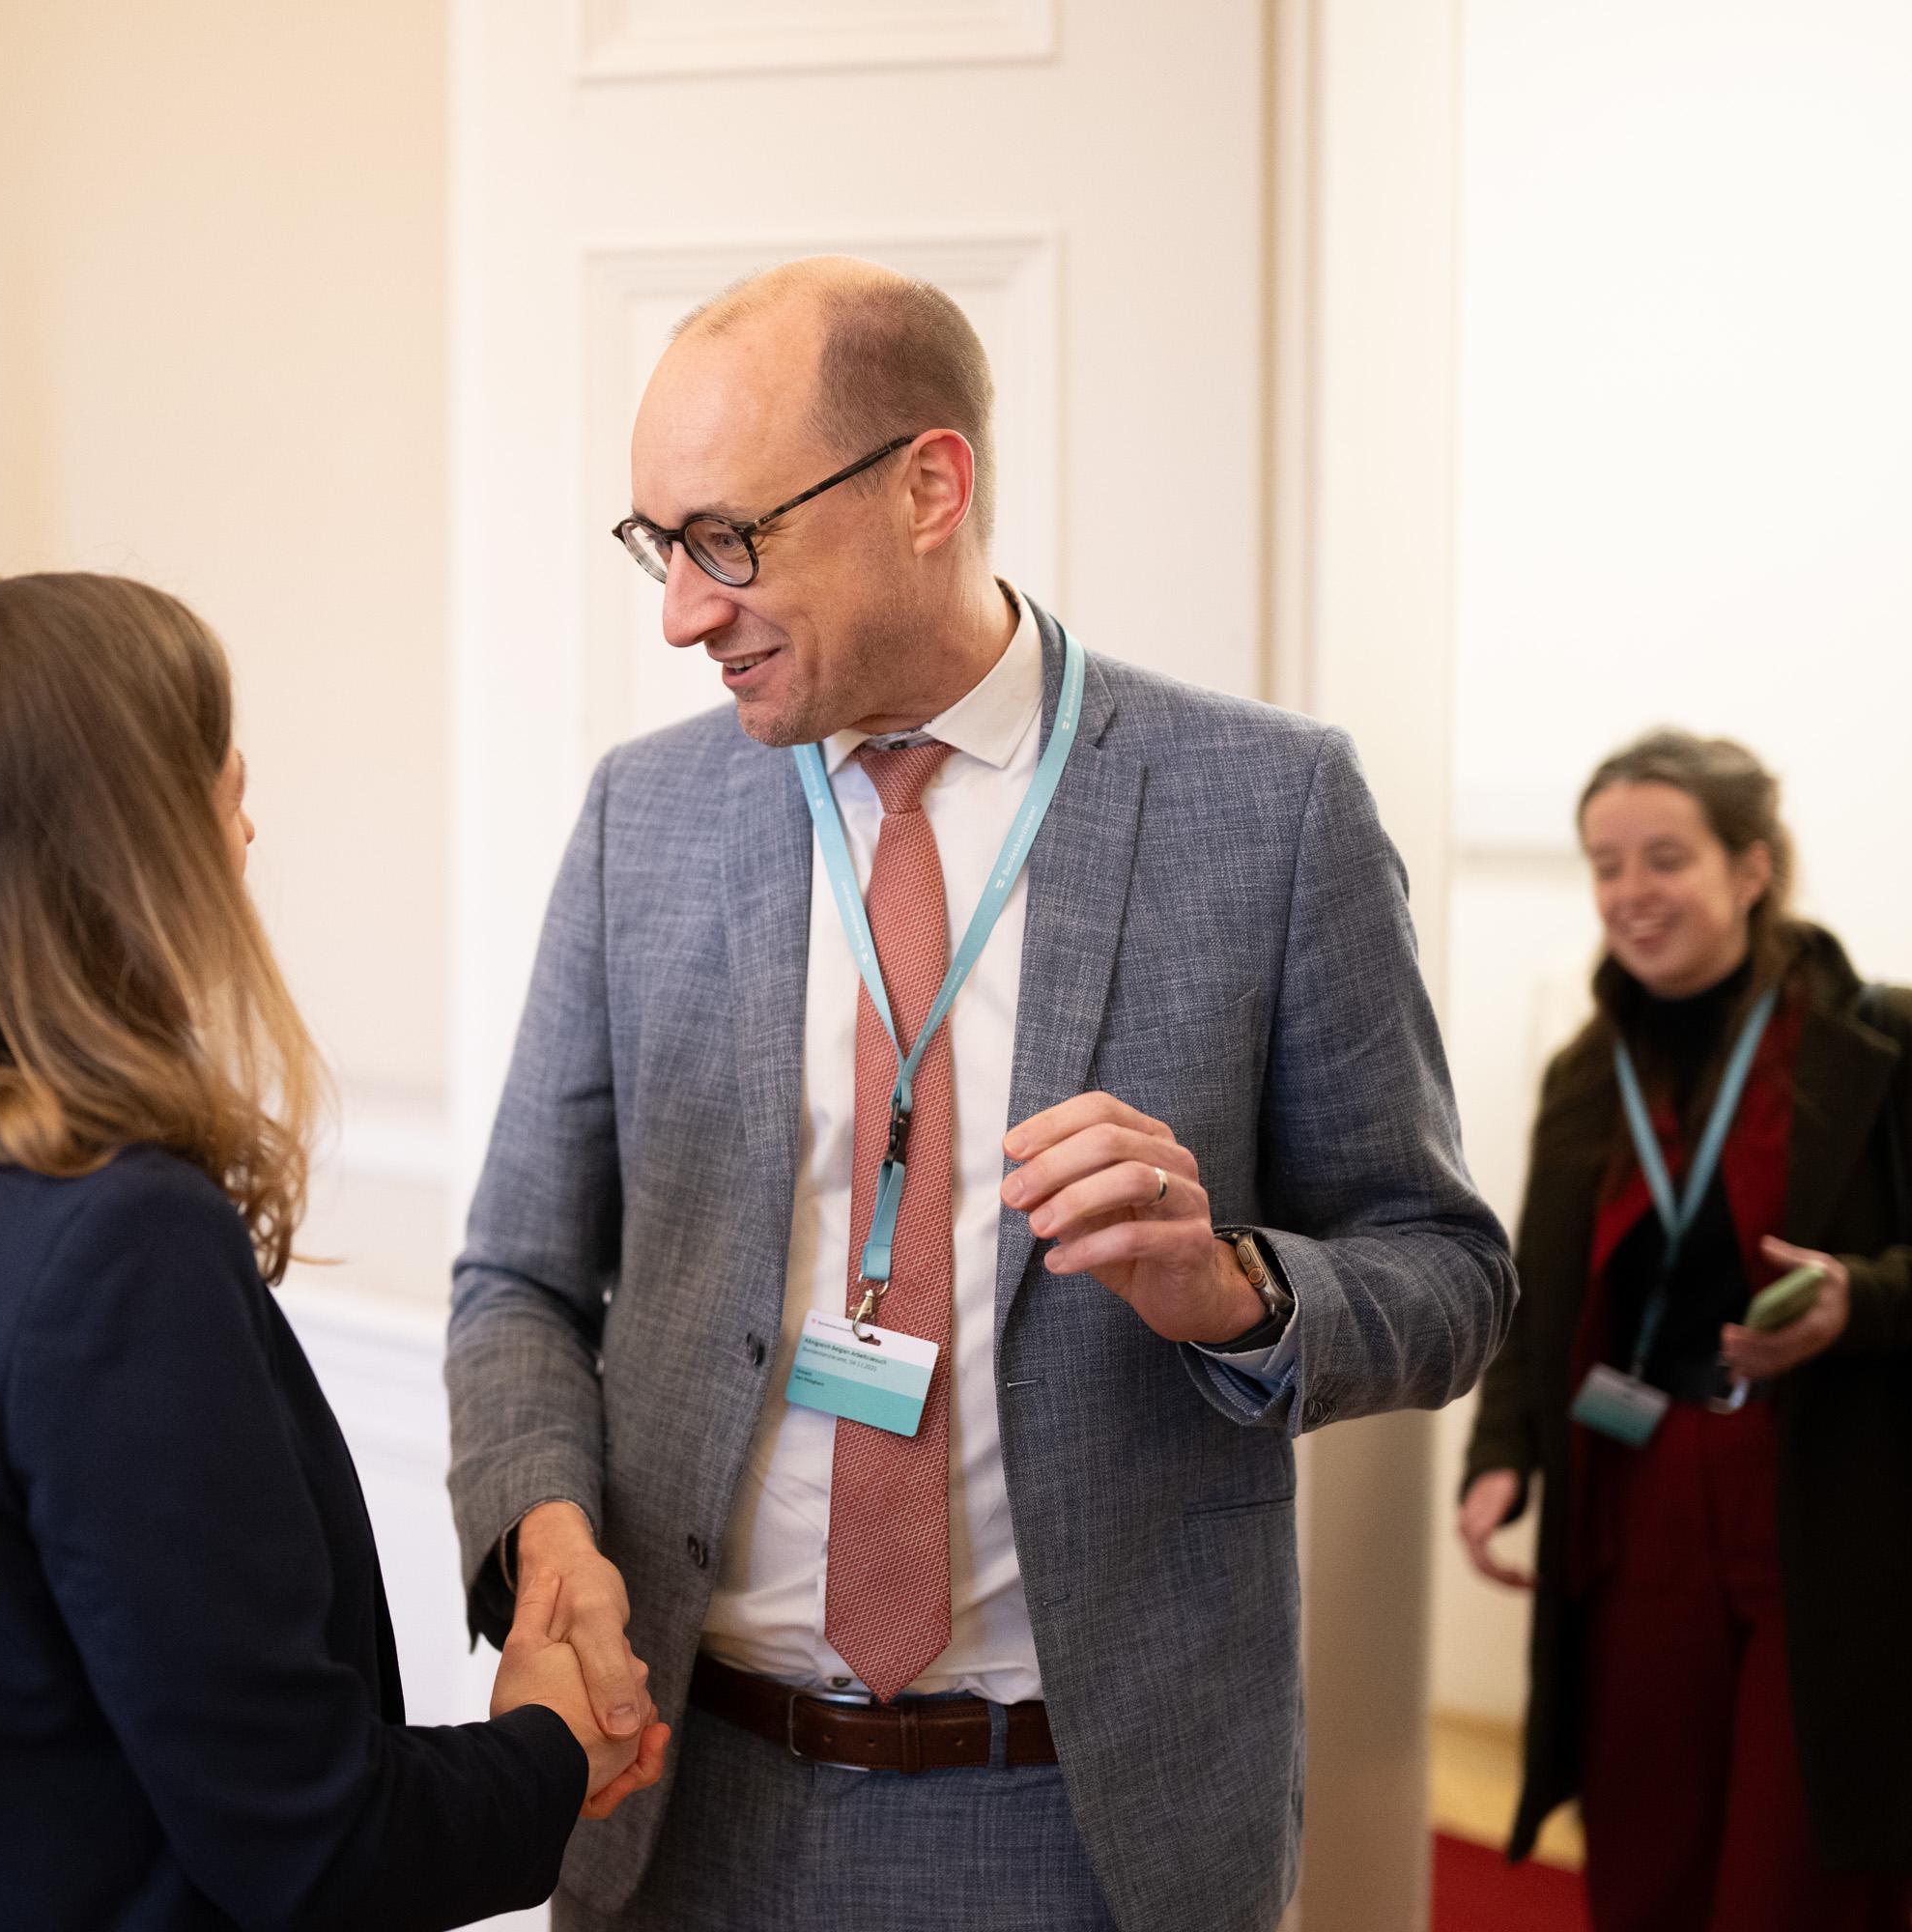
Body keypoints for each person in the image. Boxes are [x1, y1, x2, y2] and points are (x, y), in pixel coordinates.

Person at [444, 256, 1517, 1932]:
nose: (679, 611)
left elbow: (1449, 1277)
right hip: (677, 1799)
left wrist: (1235, 1293)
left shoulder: (1267, 809)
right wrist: (544, 1530)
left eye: (730, 540)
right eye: (660, 546)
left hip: (1081, 1827)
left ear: (928, 488)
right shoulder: (639, 824)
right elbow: (514, 1276)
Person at [0, 573, 669, 1932]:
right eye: (225, 788)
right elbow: (314, 1847)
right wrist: (550, 1744)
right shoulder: (116, 1250)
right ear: (133, 851)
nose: (248, 831)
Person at [1458, 729, 1912, 1931]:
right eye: (1606, 863)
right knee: (1646, 1862)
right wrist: (1502, 1450)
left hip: (1824, 1507)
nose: (1630, 892)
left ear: (1752, 867)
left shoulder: (1883, 1042)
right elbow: (1539, 1290)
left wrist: (1858, 1298)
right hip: (1635, 1495)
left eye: (1666, 856)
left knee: (1791, 1877)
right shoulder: (1586, 1071)